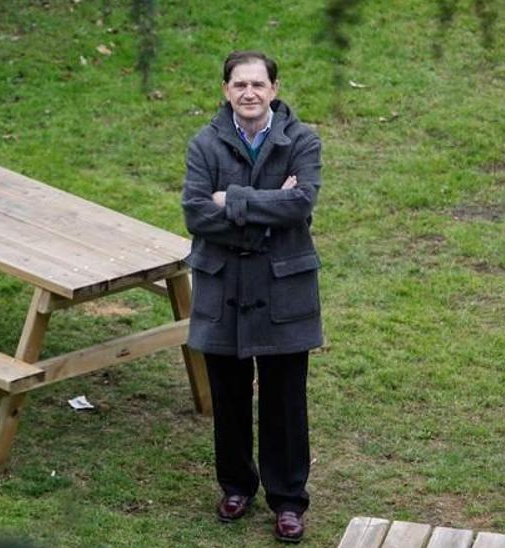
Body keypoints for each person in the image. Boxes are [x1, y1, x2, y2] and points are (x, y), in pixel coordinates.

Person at [180, 50, 323, 543]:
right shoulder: (204, 143)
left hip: (285, 288)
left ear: (274, 90)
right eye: (239, 84)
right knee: (230, 395)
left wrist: (233, 200)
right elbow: (196, 213)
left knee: (286, 399)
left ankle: (288, 500)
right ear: (226, 91)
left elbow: (302, 202)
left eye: (258, 85)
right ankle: (237, 485)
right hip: (225, 291)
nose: (249, 93)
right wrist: (270, 205)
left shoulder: (302, 140)